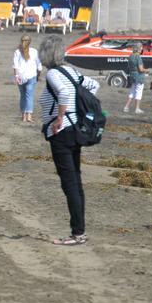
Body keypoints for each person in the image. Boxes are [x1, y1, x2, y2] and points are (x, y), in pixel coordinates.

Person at [38, 35, 100, 246]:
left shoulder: (54, 74)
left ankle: (77, 233)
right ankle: (79, 230)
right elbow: (93, 85)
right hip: (74, 131)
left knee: (69, 183)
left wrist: (60, 118)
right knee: (75, 180)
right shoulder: (71, 71)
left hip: (62, 133)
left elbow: (64, 92)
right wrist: (77, 111)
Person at [12, 35, 42, 123]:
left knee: (23, 96)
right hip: (32, 75)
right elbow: (39, 66)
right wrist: (38, 76)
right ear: (30, 42)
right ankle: (29, 116)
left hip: (20, 76)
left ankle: (23, 116)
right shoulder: (34, 51)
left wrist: (16, 76)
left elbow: (15, 66)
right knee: (29, 96)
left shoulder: (17, 52)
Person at [123, 43, 147, 114]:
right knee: (138, 92)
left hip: (132, 75)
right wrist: (146, 70)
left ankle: (126, 107)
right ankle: (137, 108)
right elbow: (141, 69)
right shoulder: (138, 57)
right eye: (141, 48)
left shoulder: (130, 56)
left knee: (132, 91)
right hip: (139, 76)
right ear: (139, 49)